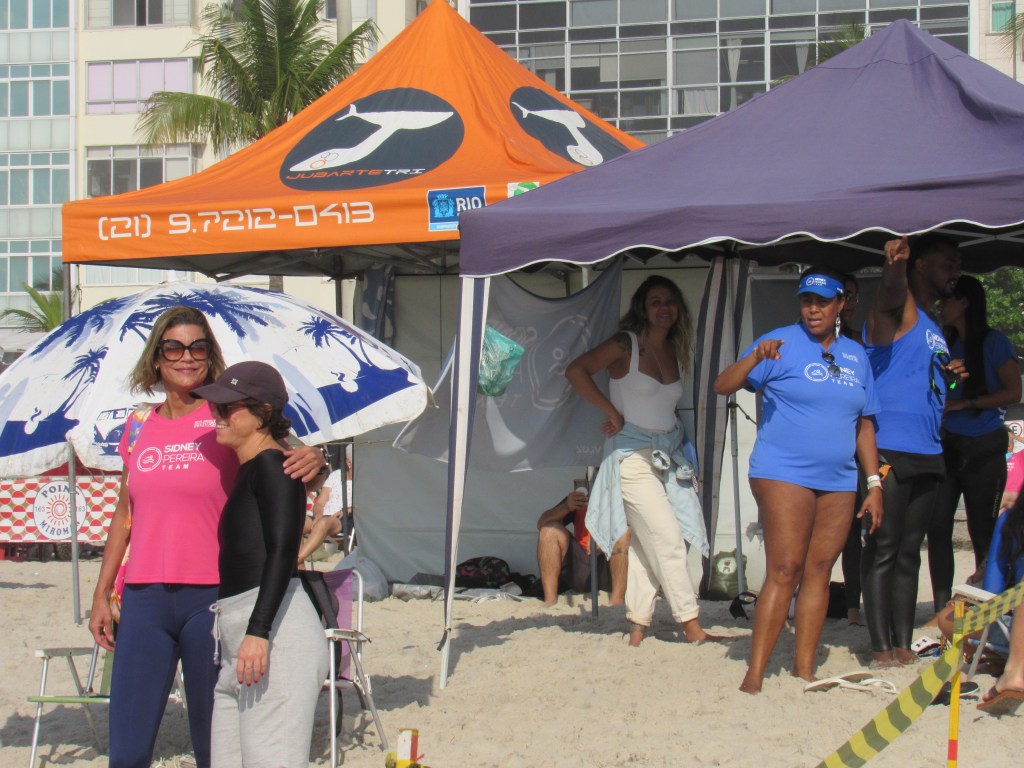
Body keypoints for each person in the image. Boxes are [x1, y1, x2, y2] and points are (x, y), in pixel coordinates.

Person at [87, 306, 325, 768]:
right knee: (128, 748)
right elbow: (124, 514)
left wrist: (317, 460)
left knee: (214, 746)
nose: (186, 357)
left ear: (210, 355)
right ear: (156, 357)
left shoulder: (227, 417)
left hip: (210, 599)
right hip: (144, 596)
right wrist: (102, 592)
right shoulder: (138, 425)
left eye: (198, 347)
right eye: (173, 347)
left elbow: (286, 466)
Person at [715, 267, 883, 694]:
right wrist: (755, 357)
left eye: (822, 302)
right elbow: (722, 386)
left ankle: (804, 670)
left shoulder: (856, 354)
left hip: (839, 478)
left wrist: (874, 483)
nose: (813, 309)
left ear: (841, 304)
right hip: (782, 471)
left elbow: (865, 424)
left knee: (820, 570)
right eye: (807, 301)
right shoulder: (779, 342)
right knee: (785, 567)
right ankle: (754, 674)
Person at [566, 275, 725, 647]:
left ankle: (638, 626)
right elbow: (576, 371)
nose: (664, 308)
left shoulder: (672, 348)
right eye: (656, 301)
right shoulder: (627, 343)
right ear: (643, 307)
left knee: (646, 544)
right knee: (668, 539)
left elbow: (665, 410)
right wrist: (612, 412)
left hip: (666, 456)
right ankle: (691, 625)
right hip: (631, 458)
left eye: (670, 301)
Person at [193, 361, 329, 768]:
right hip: (243, 634)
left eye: (228, 407)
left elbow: (283, 550)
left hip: (274, 632)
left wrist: (259, 630)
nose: (217, 414)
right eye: (216, 406)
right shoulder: (251, 469)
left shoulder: (275, 465)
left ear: (263, 413)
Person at [861, 233, 965, 667]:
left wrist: (951, 376)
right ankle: (880, 647)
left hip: (928, 450)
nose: (955, 272)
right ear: (920, 265)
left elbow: (924, 382)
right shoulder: (897, 313)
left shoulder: (932, 326)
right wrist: (895, 266)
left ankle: (902, 642)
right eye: (947, 263)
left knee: (909, 552)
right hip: (890, 448)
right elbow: (889, 295)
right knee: (883, 548)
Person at [928, 275, 1021, 607]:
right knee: (937, 528)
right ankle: (941, 606)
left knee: (983, 532)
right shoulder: (943, 342)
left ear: (965, 302)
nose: (941, 305)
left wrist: (966, 403)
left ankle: (987, 605)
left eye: (947, 299)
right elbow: (942, 390)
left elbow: (1013, 392)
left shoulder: (995, 342)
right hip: (947, 445)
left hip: (983, 445)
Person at [536, 488, 630, 606]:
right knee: (548, 531)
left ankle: (617, 602)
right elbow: (542, 523)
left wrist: (605, 537)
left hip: (611, 566)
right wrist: (567, 506)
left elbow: (642, 528)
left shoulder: (625, 494)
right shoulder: (582, 497)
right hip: (582, 567)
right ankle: (550, 601)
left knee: (624, 532)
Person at [838, 272, 866, 624]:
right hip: (823, 447)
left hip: (858, 445)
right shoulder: (803, 339)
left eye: (854, 296)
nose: (850, 303)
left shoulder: (861, 341)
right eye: (846, 295)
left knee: (855, 533)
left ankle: (853, 606)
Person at [297, 456, 353, 564]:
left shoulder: (366, 480)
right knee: (298, 521)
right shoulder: (336, 475)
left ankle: (297, 560)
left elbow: (366, 505)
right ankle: (300, 566)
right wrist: (318, 515)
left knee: (323, 523)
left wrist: (347, 510)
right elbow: (320, 503)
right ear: (348, 462)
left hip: (344, 519)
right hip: (324, 516)